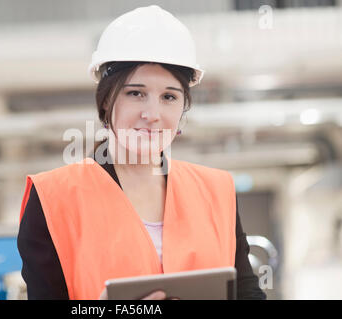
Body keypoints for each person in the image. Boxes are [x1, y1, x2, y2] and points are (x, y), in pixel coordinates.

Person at [17, 5, 267, 300]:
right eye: (136, 93)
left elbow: (248, 294)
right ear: (107, 100)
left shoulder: (216, 192)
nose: (152, 113)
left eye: (169, 97)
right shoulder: (53, 197)